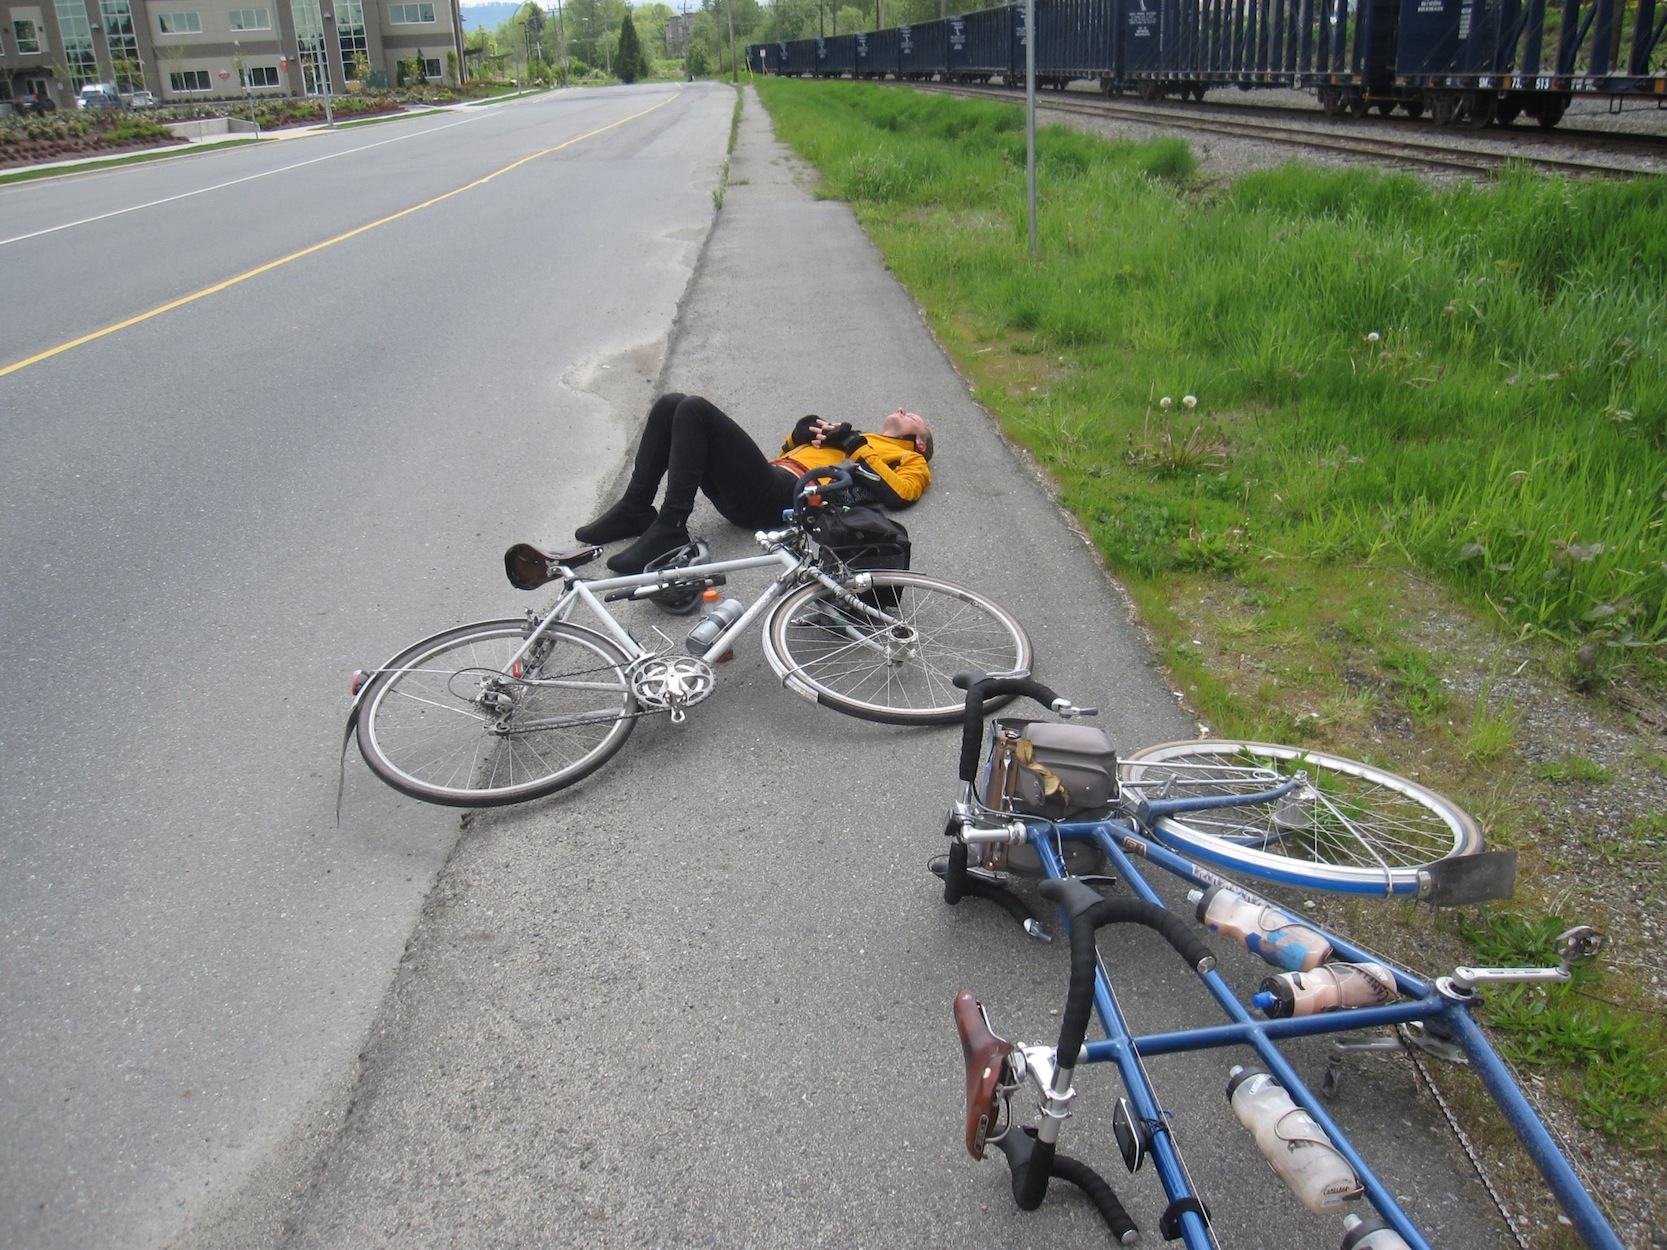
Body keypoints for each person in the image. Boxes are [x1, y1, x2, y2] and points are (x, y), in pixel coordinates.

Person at [576, 393, 933, 574]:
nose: (902, 410)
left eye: (911, 416)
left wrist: (854, 443)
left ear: (919, 442)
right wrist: (798, 435)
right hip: (766, 481)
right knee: (673, 403)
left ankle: (671, 525)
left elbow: (900, 494)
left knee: (696, 409)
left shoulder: (911, 459)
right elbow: (786, 455)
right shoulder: (862, 438)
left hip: (786, 497)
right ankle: (635, 509)